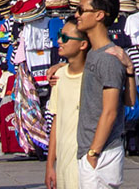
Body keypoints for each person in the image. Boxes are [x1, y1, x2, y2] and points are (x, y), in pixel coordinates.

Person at [72, 0, 127, 189]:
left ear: (99, 15)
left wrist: (93, 153)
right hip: (92, 149)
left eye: (81, 10)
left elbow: (111, 111)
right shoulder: (96, 53)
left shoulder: (107, 58)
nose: (76, 15)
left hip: (101, 152)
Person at [45, 24, 90, 189]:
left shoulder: (93, 77)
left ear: (82, 44)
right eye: (59, 35)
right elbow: (56, 121)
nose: (58, 41)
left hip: (84, 164)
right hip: (63, 164)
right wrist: (50, 165)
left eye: (64, 37)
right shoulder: (58, 77)